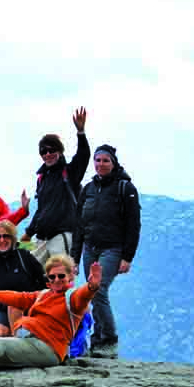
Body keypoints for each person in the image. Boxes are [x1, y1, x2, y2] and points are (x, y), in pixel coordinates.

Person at [0, 256, 101, 387]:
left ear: (70, 278)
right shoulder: (44, 294)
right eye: (52, 277)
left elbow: (83, 295)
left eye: (61, 276)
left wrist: (92, 286)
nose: (56, 280)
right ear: (48, 279)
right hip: (29, 341)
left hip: (49, 348)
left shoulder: (71, 299)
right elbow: (17, 297)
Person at [71, 144, 140, 358]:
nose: (101, 164)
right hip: (89, 248)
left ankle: (109, 339)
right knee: (92, 292)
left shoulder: (125, 188)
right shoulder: (88, 189)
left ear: (113, 163)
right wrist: (74, 257)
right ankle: (98, 340)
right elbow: (79, 225)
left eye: (105, 161)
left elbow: (133, 225)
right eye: (98, 160)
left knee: (98, 290)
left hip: (113, 248)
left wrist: (127, 257)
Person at [23, 107, 91, 264]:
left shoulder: (69, 173)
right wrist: (28, 233)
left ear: (60, 151)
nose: (47, 154)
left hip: (63, 236)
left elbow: (83, 156)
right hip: (42, 238)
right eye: (43, 151)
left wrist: (81, 133)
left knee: (60, 276)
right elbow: (41, 210)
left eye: (51, 150)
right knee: (32, 273)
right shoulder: (42, 178)